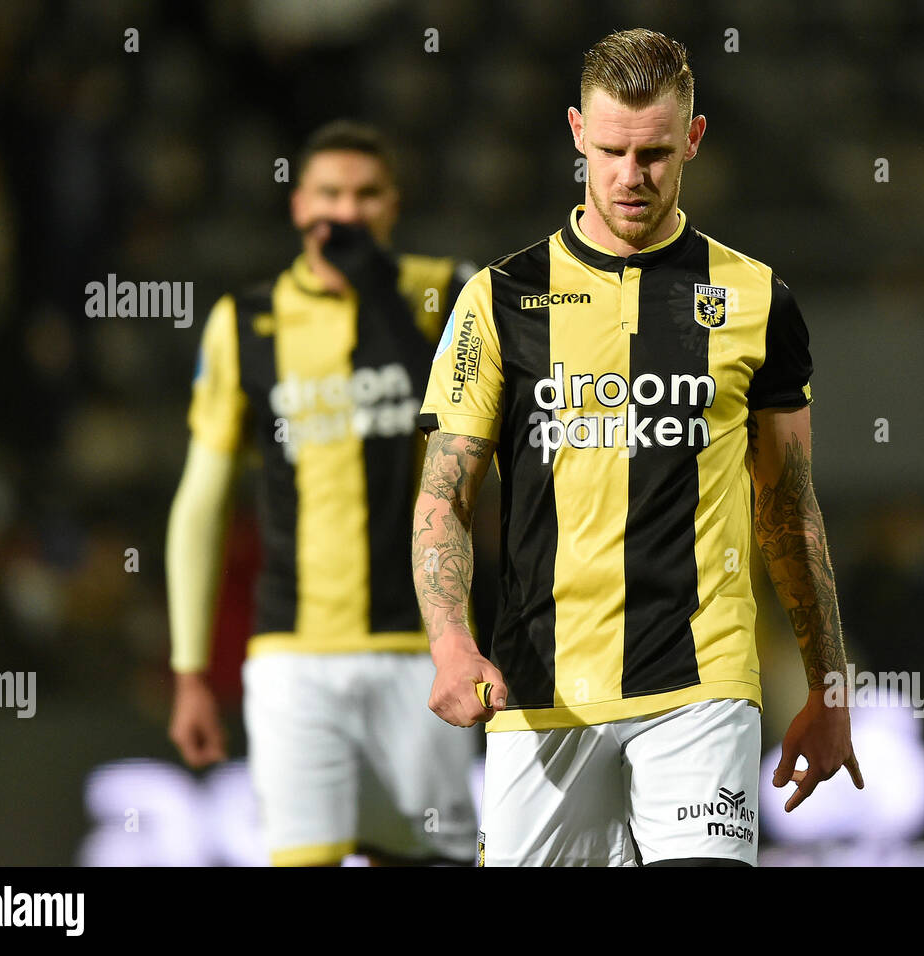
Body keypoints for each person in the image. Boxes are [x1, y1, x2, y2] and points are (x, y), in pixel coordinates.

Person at [412, 29, 862, 867]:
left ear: (693, 139)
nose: (631, 176)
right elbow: (443, 497)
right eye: (612, 150)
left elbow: (790, 509)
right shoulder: (497, 302)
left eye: (654, 152)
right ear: (578, 132)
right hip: (540, 691)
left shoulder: (758, 300)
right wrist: (449, 642)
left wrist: (829, 689)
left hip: (703, 686)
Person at [167, 119, 479, 866]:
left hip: (425, 649)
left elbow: (467, 431)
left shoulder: (449, 294)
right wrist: (191, 671)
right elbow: (201, 502)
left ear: (393, 205)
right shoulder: (245, 323)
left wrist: (379, 291)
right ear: (298, 205)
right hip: (292, 656)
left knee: (429, 859)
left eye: (367, 194)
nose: (347, 212)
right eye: (329, 193)